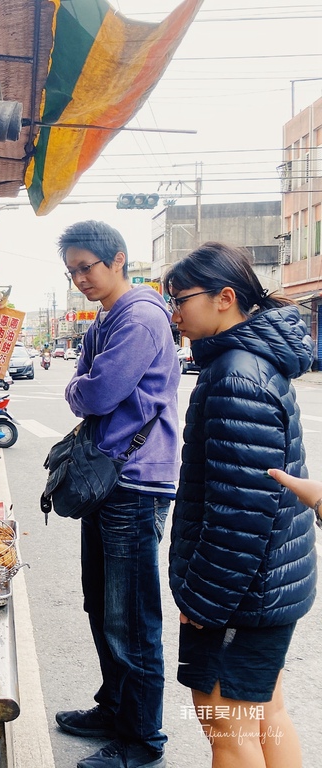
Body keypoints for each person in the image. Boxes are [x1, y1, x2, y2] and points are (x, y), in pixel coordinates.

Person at [165, 243, 316, 768]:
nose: (175, 312)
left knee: (227, 730)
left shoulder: (234, 373)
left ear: (225, 298)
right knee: (267, 714)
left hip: (240, 594)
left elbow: (239, 513)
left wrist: (204, 604)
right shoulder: (254, 360)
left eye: (180, 299)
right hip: (269, 585)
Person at [55, 221, 180, 768]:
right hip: (107, 480)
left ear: (118, 260)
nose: (81, 278)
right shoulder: (104, 319)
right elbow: (86, 386)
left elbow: (94, 390)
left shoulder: (142, 316)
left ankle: (142, 741)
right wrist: (83, 387)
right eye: (72, 271)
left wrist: (82, 388)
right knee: (100, 605)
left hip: (135, 483)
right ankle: (114, 708)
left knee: (130, 619)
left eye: (88, 266)